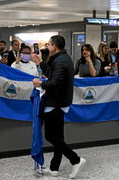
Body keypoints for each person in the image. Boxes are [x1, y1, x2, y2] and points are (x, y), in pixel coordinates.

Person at [32, 35, 86, 179]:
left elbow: (55, 83)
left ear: (55, 46)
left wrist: (40, 84)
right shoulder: (62, 58)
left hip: (55, 103)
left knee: (50, 135)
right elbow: (52, 75)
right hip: (60, 102)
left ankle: (76, 159)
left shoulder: (60, 60)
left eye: (49, 44)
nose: (47, 47)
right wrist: (41, 63)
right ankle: (54, 168)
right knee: (58, 137)